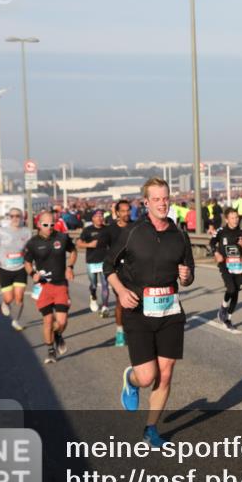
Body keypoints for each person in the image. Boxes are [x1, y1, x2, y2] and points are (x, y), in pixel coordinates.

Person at [108, 178, 194, 447]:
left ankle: (150, 429)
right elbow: (108, 267)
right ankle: (130, 379)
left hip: (169, 311)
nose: (162, 203)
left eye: (165, 198)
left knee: (165, 373)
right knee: (147, 377)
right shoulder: (133, 233)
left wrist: (187, 275)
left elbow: (188, 276)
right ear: (146, 203)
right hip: (138, 311)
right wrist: (121, 292)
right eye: (156, 199)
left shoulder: (179, 235)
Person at [24, 212, 77, 364]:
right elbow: (27, 263)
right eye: (46, 225)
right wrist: (32, 273)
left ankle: (58, 335)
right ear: (39, 224)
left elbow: (73, 251)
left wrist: (70, 267)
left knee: (61, 322)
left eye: (52, 224)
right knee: (47, 321)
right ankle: (51, 351)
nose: (49, 228)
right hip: (43, 286)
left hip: (60, 284)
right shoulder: (33, 243)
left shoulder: (62, 237)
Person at [209, 207, 242, 333]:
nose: (236, 220)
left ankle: (228, 318)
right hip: (225, 264)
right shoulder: (221, 231)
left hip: (237, 265)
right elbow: (212, 243)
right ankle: (223, 308)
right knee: (231, 289)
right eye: (233, 218)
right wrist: (216, 253)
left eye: (237, 217)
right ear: (227, 219)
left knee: (236, 292)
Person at [0, 208, 31, 332]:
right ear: (9, 217)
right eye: (12, 216)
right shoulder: (3, 231)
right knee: (9, 298)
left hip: (20, 268)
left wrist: (31, 261)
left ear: (22, 217)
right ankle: (5, 303)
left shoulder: (27, 232)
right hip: (4, 268)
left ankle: (16, 321)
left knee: (19, 297)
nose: (15, 218)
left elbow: (29, 248)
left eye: (17, 216)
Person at [101, 199, 132, 346]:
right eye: (123, 211)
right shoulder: (110, 230)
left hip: (134, 269)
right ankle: (120, 332)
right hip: (118, 271)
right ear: (117, 213)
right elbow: (103, 249)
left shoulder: (135, 227)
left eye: (128, 210)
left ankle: (134, 330)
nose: (126, 213)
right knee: (121, 302)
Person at [77, 209, 111, 317]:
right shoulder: (87, 230)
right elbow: (78, 243)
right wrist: (89, 245)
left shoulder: (108, 229)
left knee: (105, 284)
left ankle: (105, 306)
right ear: (92, 218)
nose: (100, 218)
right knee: (93, 284)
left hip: (105, 261)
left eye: (101, 216)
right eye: (97, 216)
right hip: (92, 261)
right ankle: (93, 296)